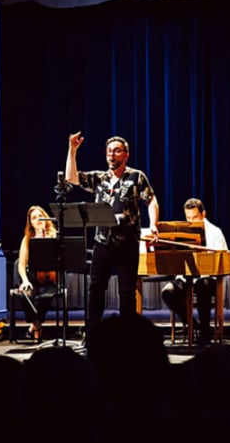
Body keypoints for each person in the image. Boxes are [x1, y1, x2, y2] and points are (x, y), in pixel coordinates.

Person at [65, 132, 159, 329]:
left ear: (126, 154)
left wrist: (153, 225)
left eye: (116, 151)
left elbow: (151, 200)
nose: (112, 155)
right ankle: (92, 335)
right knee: (96, 288)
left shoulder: (136, 176)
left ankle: (127, 336)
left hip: (128, 243)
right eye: (109, 151)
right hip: (103, 243)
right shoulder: (100, 178)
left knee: (126, 292)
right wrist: (72, 151)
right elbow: (71, 178)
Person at [160, 197, 228, 343]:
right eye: (188, 217)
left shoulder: (215, 232)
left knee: (202, 285)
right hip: (185, 277)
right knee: (167, 292)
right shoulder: (182, 232)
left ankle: (204, 332)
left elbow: (223, 261)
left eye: (195, 217)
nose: (192, 221)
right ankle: (193, 325)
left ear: (203, 214)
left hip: (208, 279)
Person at [14, 205, 59, 341]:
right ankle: (37, 325)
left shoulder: (54, 236)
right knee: (23, 295)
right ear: (31, 223)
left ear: (46, 219)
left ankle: (34, 327)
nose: (38, 220)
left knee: (47, 296)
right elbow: (21, 265)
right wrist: (25, 281)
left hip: (48, 280)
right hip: (32, 279)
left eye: (40, 216)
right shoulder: (27, 239)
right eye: (34, 218)